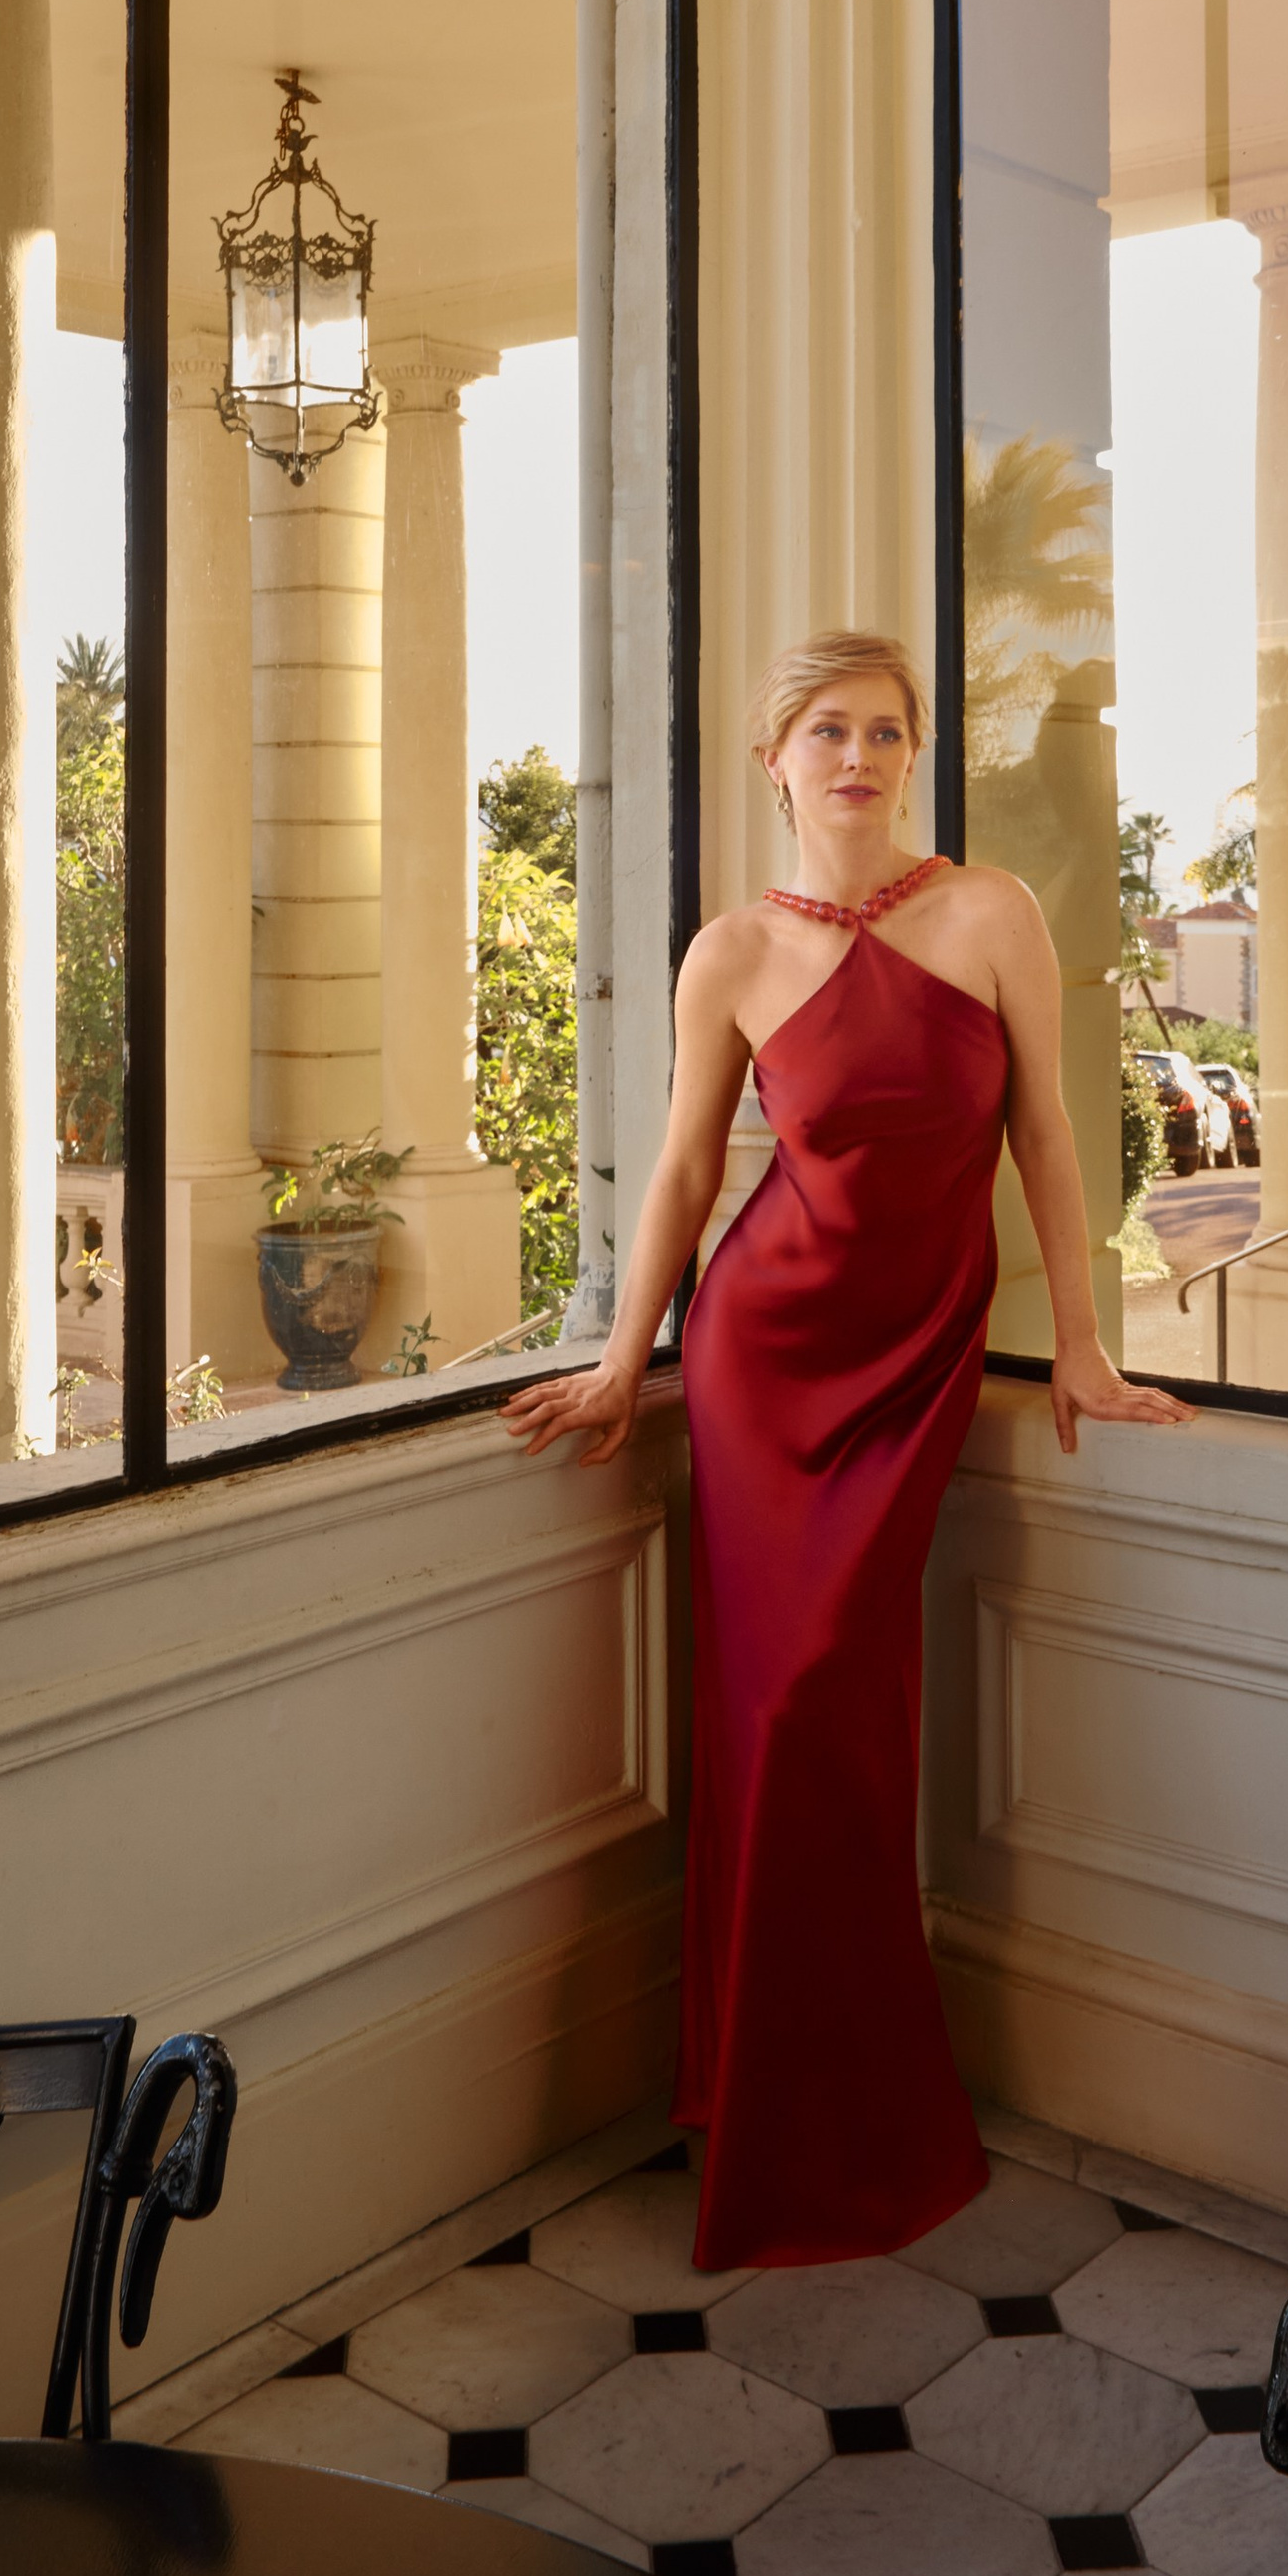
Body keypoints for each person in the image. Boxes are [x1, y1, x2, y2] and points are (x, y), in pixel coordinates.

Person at [502, 629, 1188, 2269]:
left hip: (912, 1362)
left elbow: (1042, 1135)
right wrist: (622, 1359)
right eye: (829, 729)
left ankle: (844, 2108)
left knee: (835, 1716)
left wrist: (1083, 1340)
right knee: (777, 1719)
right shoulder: (730, 952)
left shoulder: (991, 911)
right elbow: (679, 1177)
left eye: (887, 732)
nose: (861, 757)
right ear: (776, 757)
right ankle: (764, 2100)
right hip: (760, 1361)